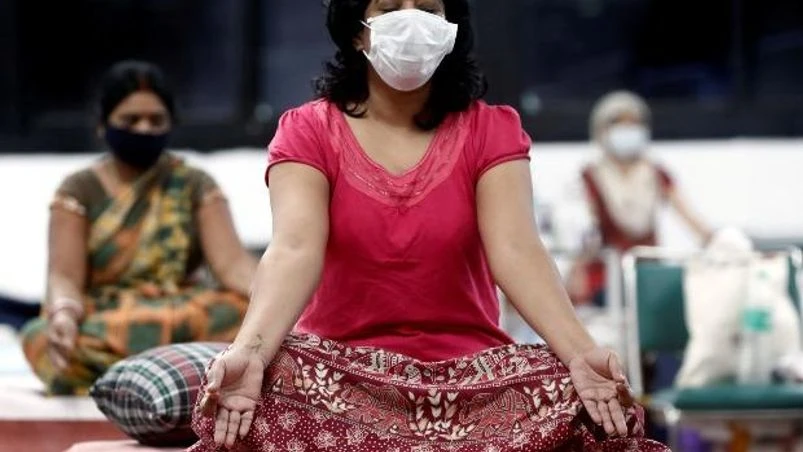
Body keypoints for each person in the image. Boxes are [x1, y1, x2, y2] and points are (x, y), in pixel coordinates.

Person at [192, 2, 668, 451]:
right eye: (389, 7)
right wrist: (251, 350)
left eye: (429, 8)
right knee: (268, 378)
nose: (412, 20)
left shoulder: (492, 129)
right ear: (357, 30)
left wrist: (582, 354)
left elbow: (517, 250)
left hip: (474, 383)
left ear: (450, 28)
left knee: (576, 393)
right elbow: (294, 248)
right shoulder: (308, 130)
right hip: (340, 381)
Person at [21, 60, 256, 395]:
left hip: (179, 311)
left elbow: (233, 265)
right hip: (108, 316)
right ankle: (183, 374)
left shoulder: (193, 183)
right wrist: (63, 314)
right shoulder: (79, 189)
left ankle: (140, 375)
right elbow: (64, 276)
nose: (144, 129)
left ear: (171, 124)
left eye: (156, 120)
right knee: (41, 336)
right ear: (104, 125)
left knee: (245, 316)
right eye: (130, 120)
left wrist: (280, 302)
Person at [566, 90, 712, 306]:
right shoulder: (591, 177)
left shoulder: (655, 173)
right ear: (602, 130)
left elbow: (690, 218)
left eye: (634, 124)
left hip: (647, 272)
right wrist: (575, 271)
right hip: (606, 279)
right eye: (619, 124)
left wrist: (718, 244)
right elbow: (584, 232)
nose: (628, 130)